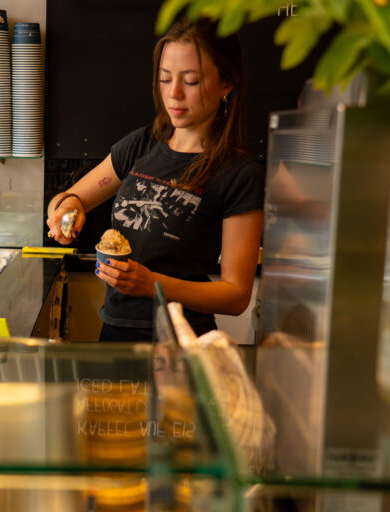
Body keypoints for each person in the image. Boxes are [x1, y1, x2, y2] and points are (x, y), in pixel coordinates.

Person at [46, 18, 265, 342]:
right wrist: (66, 211)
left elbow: (236, 296)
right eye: (165, 79)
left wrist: (152, 285)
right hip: (114, 335)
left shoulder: (240, 173)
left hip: (181, 342)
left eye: (191, 81)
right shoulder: (141, 145)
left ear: (226, 84)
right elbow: (72, 198)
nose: (173, 93)